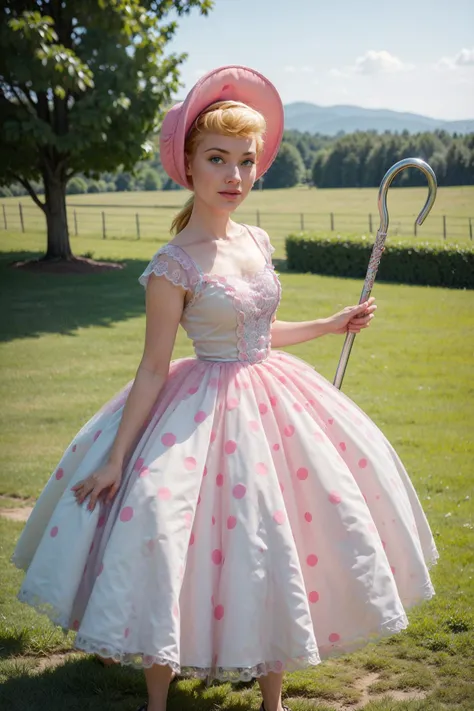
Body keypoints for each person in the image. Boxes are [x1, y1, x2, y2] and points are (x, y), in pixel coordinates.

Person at [12, 66, 439, 711]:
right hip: (197, 409)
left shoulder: (256, 241)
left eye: (246, 161)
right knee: (164, 525)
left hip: (274, 403)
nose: (235, 176)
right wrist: (117, 457)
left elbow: (260, 331)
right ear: (188, 165)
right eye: (218, 160)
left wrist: (330, 324)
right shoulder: (172, 265)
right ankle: (158, 697)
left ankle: (273, 696)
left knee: (273, 531)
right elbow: (154, 367)